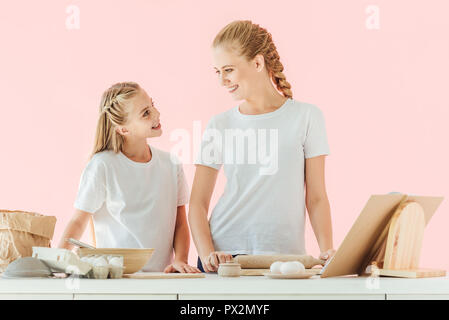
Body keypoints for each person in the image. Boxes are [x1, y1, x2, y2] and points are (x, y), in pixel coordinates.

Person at [189, 21, 336, 273]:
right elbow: (197, 203)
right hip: (226, 256)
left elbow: (317, 197)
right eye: (217, 72)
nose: (222, 80)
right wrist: (207, 255)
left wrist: (327, 251)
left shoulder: (307, 117)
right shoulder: (220, 124)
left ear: (257, 63)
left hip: (287, 257)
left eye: (229, 70)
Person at [58, 82, 200, 273]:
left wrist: (180, 260)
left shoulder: (171, 164)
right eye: (145, 113)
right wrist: (57, 261)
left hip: (160, 279)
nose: (156, 114)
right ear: (123, 129)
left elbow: (180, 223)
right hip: (116, 281)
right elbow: (78, 221)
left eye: (152, 105)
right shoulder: (103, 166)